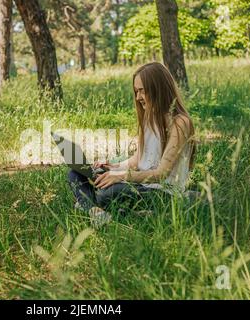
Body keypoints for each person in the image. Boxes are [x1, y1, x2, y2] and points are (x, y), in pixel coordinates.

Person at [67, 62, 196, 228]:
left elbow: (162, 174)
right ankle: (96, 211)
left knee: (112, 192)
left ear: (158, 88)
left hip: (164, 193)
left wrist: (121, 176)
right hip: (141, 185)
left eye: (142, 91)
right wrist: (113, 166)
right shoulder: (149, 119)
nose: (138, 97)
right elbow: (137, 161)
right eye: (136, 92)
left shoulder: (180, 123)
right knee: (75, 174)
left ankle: (88, 205)